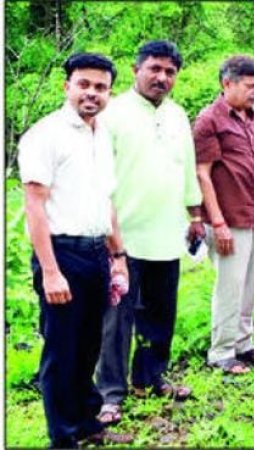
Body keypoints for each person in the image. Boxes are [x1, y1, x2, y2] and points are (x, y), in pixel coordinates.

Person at [18, 52, 134, 447]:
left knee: (89, 343)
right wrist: (50, 271)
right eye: (83, 84)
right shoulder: (45, 135)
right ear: (66, 86)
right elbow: (34, 206)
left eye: (100, 87)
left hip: (96, 255)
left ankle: (86, 422)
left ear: (109, 93)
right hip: (61, 254)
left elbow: (107, 200)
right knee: (62, 349)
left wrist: (118, 257)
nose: (92, 93)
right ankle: (62, 437)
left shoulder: (101, 134)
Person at [95, 40, 202, 425]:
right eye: (154, 69)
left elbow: (188, 170)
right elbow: (99, 181)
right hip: (122, 239)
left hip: (167, 234)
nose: (162, 77)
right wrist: (111, 239)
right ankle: (111, 393)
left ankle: (151, 377)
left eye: (169, 72)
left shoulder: (176, 115)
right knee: (117, 319)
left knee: (161, 313)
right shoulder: (112, 114)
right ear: (137, 68)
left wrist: (195, 215)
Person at [193, 55, 254, 375]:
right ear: (228, 84)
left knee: (250, 283)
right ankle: (222, 350)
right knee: (230, 285)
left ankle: (244, 342)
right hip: (229, 217)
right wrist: (218, 222)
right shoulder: (209, 120)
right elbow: (202, 174)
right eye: (250, 86)